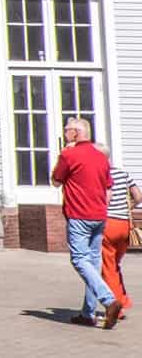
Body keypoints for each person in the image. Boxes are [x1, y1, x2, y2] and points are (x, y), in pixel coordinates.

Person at [54, 118, 123, 328]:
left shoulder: (69, 154)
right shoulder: (101, 157)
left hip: (79, 215)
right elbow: (108, 186)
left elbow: (56, 180)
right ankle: (87, 313)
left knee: (79, 260)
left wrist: (63, 154)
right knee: (93, 263)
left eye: (67, 130)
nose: (65, 133)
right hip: (99, 215)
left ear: (76, 133)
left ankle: (109, 300)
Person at [98, 145, 139, 319]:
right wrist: (129, 206)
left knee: (108, 268)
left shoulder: (101, 175)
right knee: (115, 264)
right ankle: (123, 299)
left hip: (108, 223)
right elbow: (138, 196)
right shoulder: (124, 174)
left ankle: (117, 307)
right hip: (124, 225)